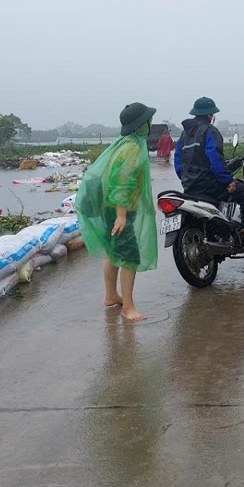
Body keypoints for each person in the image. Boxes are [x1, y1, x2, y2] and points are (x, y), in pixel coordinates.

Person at [76, 102, 159, 322]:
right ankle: (128, 308)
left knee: (114, 253)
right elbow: (122, 182)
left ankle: (111, 295)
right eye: (148, 121)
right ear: (142, 125)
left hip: (109, 208)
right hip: (118, 211)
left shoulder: (124, 143)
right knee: (129, 257)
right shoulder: (132, 148)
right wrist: (122, 216)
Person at [175, 96, 244, 237]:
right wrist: (228, 180)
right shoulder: (210, 131)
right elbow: (215, 160)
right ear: (210, 115)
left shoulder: (184, 135)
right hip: (209, 186)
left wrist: (187, 179)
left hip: (189, 187)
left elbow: (178, 164)